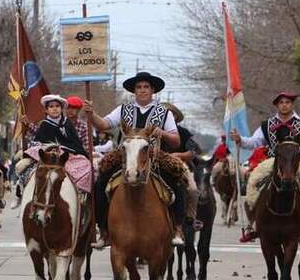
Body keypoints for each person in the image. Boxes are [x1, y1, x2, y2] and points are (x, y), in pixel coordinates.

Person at [84, 71, 182, 249]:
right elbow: (103, 124)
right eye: (139, 87)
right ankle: (104, 230)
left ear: (153, 90)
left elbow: (176, 140)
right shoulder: (123, 109)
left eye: (146, 87)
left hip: (153, 156)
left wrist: (163, 133)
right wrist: (91, 114)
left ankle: (177, 228)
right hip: (125, 156)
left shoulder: (163, 112)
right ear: (134, 91)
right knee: (100, 184)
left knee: (178, 182)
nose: (142, 90)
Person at [230, 91, 300, 242]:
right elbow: (254, 142)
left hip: (296, 161)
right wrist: (240, 139)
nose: (284, 105)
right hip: (273, 161)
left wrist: (293, 153)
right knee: (250, 184)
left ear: (291, 104)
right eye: (281, 102)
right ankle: (251, 225)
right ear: (277, 105)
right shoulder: (267, 125)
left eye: (287, 102)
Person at [19, 95, 92, 194]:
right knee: (21, 166)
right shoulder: (44, 124)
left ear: (62, 109)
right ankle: (21, 193)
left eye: (57, 106)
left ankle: (80, 194)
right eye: (51, 106)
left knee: (88, 167)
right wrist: (27, 124)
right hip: (47, 154)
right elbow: (39, 136)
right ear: (46, 110)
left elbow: (76, 143)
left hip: (67, 155)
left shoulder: (68, 123)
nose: (54, 109)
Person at [163, 102, 201, 239]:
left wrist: (180, 155)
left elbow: (193, 151)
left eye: (170, 114)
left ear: (176, 117)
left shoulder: (183, 132)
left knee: (192, 189)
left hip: (179, 165)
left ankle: (191, 218)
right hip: (155, 164)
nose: (167, 116)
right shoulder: (152, 131)